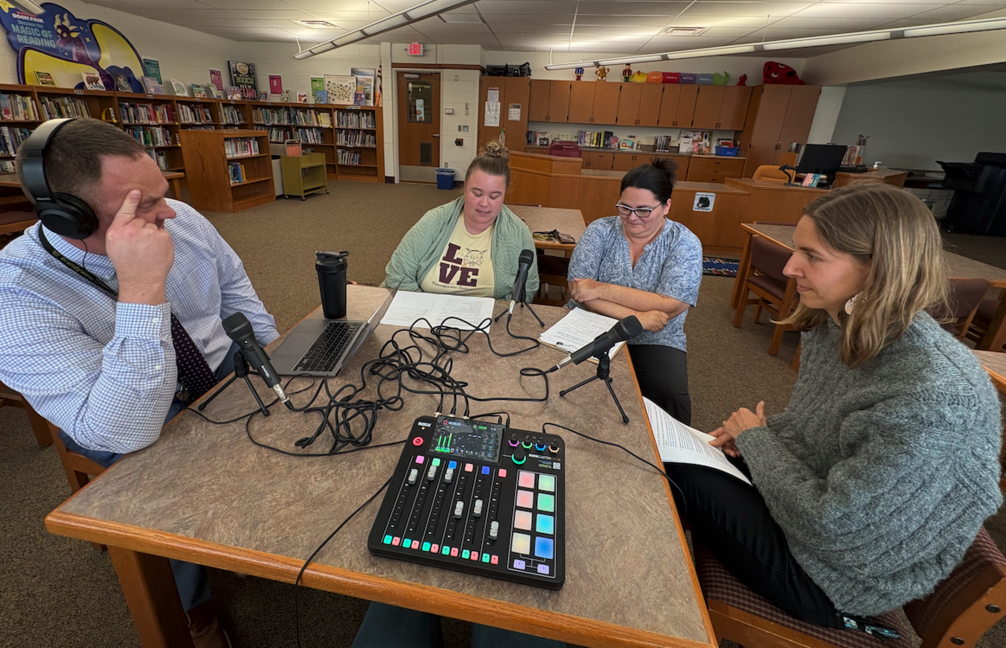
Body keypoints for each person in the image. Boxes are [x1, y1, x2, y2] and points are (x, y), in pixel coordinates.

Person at [0, 118, 278, 648]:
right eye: (141, 205)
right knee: (173, 482)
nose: (167, 213)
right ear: (65, 216)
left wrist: (270, 352)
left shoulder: (178, 217)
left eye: (161, 194)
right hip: (124, 412)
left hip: (219, 361)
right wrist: (142, 287)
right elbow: (121, 430)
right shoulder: (7, 297)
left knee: (308, 421)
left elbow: (233, 282)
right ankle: (193, 606)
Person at [668, 181, 1002, 631]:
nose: (789, 267)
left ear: (880, 270)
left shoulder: (933, 395)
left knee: (671, 468)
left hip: (836, 580)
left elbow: (835, 526)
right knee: (677, 455)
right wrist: (760, 443)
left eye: (813, 256)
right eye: (795, 250)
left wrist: (757, 442)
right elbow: (819, 433)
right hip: (811, 527)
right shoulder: (840, 325)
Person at [566, 159, 702, 424]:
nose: (632, 217)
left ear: (666, 206)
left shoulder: (684, 243)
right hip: (593, 323)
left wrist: (599, 288)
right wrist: (637, 318)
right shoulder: (600, 230)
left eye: (643, 210)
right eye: (625, 208)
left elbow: (670, 306)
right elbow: (578, 290)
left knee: (669, 396)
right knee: (561, 376)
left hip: (655, 339)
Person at [383, 143, 538, 303]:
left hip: (487, 323)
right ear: (465, 188)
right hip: (424, 318)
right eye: (477, 193)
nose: (484, 203)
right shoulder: (435, 220)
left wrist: (495, 316)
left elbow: (527, 288)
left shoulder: (518, 233)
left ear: (505, 194)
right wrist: (426, 311)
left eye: (494, 196)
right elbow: (397, 274)